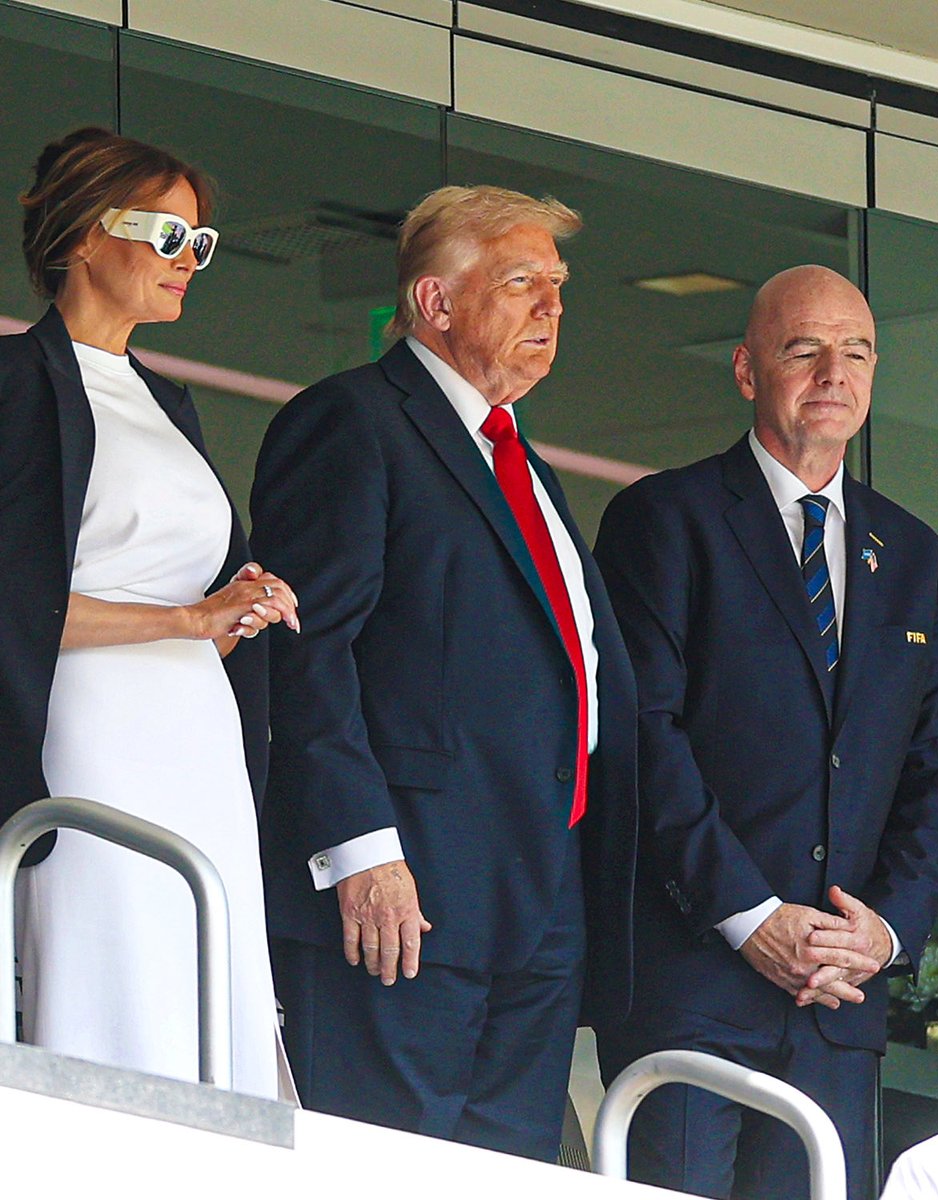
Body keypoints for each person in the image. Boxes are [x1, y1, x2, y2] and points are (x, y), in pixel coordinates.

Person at [249, 185, 638, 1160]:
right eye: (521, 283)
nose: (552, 308)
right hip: (403, 894)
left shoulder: (521, 459)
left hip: (539, 903)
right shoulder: (354, 422)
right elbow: (307, 649)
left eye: (558, 286)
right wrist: (358, 851)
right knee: (382, 1170)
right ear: (436, 302)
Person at [591, 265, 938, 1200]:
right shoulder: (664, 519)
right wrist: (751, 917)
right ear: (747, 370)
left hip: (837, 1002)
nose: (834, 372)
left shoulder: (917, 558)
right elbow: (643, 736)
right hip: (692, 981)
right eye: (805, 349)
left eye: (857, 352)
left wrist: (884, 931)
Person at [3, 127, 299, 1098]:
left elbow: (193, 589)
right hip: (90, 730)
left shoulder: (169, 400)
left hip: (197, 735)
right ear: (87, 235)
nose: (188, 261)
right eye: (168, 236)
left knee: (206, 964)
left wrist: (241, 605)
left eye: (199, 243)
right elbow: (16, 601)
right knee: (117, 962)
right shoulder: (15, 383)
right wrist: (186, 622)